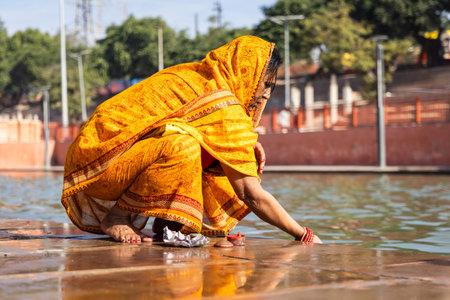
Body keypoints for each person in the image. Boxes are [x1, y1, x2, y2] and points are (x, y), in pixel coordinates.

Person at [61, 35, 322, 244]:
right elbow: (251, 194)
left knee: (211, 149)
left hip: (93, 159)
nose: (263, 96)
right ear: (249, 77)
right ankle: (117, 216)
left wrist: (247, 141)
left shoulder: (198, 79)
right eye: (265, 85)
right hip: (101, 168)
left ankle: (170, 224)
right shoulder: (224, 105)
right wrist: (303, 234)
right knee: (182, 145)